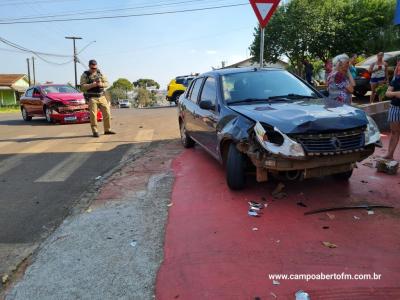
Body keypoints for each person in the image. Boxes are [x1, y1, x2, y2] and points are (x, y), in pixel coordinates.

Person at [80, 60, 115, 137]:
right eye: (92, 68)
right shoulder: (85, 75)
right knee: (93, 115)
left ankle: (107, 130)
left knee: (107, 113)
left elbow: (107, 83)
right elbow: (82, 87)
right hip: (92, 97)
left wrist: (101, 84)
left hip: (102, 96)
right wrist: (92, 85)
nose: (94, 69)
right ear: (89, 66)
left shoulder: (100, 73)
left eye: (95, 68)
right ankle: (95, 131)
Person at [383, 60, 400, 160]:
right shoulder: (397, 79)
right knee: (394, 132)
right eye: (398, 66)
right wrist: (396, 94)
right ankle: (389, 154)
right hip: (395, 108)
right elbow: (387, 93)